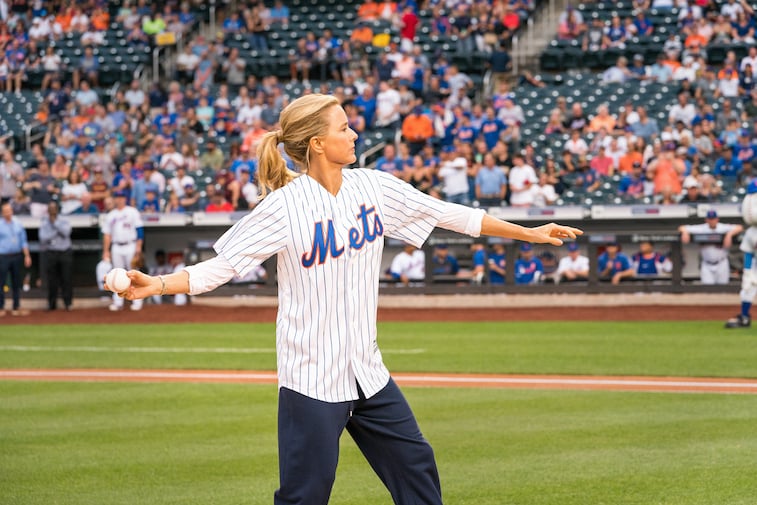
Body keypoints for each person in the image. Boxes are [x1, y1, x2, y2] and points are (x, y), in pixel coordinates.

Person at [104, 94, 581, 505]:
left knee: (416, 466)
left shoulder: (372, 187)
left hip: (368, 374)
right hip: (311, 379)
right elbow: (222, 268)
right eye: (344, 127)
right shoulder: (283, 206)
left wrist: (529, 233)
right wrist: (159, 284)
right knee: (304, 496)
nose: (354, 133)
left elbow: (448, 214)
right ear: (316, 143)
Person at [102, 189, 144, 312]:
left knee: (134, 273)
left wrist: (138, 247)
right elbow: (107, 234)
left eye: (121, 197)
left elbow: (139, 230)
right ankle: (118, 302)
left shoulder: (132, 212)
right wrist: (106, 250)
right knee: (115, 274)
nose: (119, 199)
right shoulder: (111, 215)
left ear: (125, 199)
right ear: (115, 199)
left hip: (130, 244)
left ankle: (137, 300)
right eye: (117, 197)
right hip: (116, 246)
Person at [680, 210, 743, 285]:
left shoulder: (722, 227)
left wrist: (729, 235)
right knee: (707, 289)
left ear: (717, 219)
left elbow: (740, 227)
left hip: (722, 263)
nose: (712, 221)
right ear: (706, 219)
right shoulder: (702, 228)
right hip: (707, 264)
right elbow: (682, 227)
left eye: (713, 218)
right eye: (710, 219)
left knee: (723, 289)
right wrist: (685, 232)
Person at [38, 201, 73, 311]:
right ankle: (51, 303)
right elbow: (43, 238)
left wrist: (55, 224)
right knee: (51, 280)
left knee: (66, 278)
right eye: (50, 208)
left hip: (64, 252)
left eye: (54, 208)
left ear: (57, 209)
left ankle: (68, 303)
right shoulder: (44, 221)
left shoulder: (64, 219)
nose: (52, 210)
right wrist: (56, 232)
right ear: (48, 210)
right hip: (51, 252)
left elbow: (66, 233)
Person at [0, 201, 32, 316]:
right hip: (3, 256)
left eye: (9, 210)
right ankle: (1, 307)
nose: (8, 213)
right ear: (2, 213)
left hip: (17, 255)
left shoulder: (18, 223)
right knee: (1, 282)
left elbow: (24, 241)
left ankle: (16, 306)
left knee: (16, 282)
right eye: (5, 211)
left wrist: (27, 255)